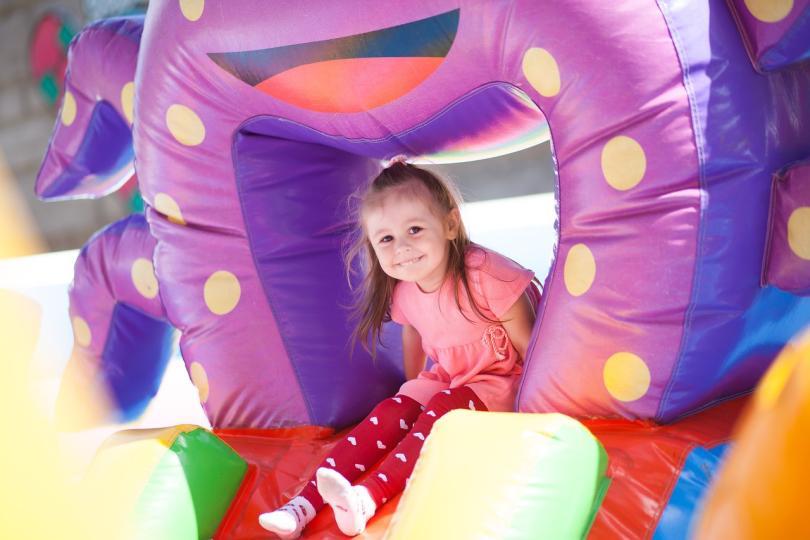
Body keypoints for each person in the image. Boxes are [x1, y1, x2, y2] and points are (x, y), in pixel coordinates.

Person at [259, 159, 539, 538]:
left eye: (415, 229)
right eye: (386, 239)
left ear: (450, 225)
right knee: (394, 410)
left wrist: (540, 415)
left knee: (440, 409)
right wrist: (412, 391)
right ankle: (303, 504)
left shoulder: (486, 276)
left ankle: (366, 499)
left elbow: (530, 345)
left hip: (503, 382)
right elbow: (414, 335)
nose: (402, 248)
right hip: (453, 379)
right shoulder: (405, 289)